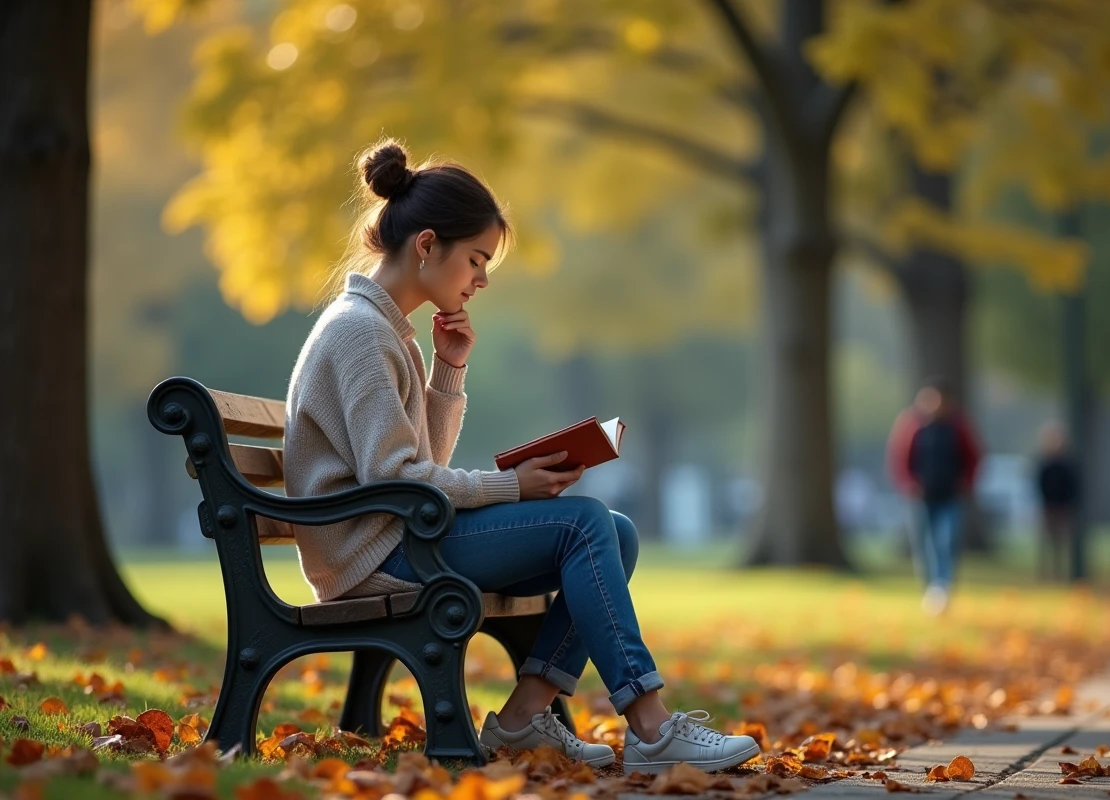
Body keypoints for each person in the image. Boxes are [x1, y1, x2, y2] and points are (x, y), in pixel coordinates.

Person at [282, 138, 759, 775]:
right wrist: (513, 488)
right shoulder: (360, 333)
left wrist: (449, 371)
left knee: (612, 533)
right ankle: (650, 726)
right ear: (428, 245)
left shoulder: (383, 331)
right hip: (373, 552)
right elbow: (395, 477)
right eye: (476, 259)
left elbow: (411, 465)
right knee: (587, 524)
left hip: (394, 533)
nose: (480, 279)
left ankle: (519, 722)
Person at [885, 378, 982, 615]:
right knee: (924, 544)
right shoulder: (911, 425)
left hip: (950, 496)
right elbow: (899, 458)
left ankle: (943, 587)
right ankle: (930, 588)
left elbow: (973, 457)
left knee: (946, 541)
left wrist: (965, 484)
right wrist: (909, 484)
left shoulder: (957, 426)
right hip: (921, 497)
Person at [1034, 422, 1078, 583]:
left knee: (1061, 542)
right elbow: (1039, 484)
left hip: (1063, 507)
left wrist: (1067, 502)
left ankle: (1060, 573)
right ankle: (1046, 574)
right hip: (1048, 506)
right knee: (1047, 541)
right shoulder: (1045, 464)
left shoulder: (1066, 465)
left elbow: (1073, 485)